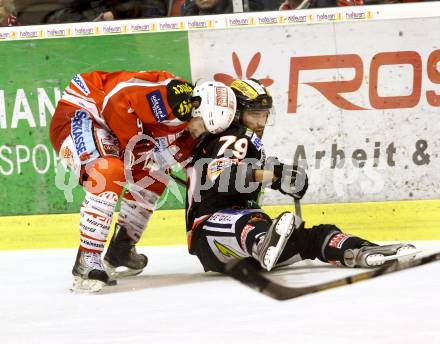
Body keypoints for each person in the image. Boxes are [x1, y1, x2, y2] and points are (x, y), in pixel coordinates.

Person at [184, 78, 418, 274]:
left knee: (312, 237)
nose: (259, 123)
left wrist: (287, 176)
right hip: (209, 230)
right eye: (254, 115)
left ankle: (358, 250)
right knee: (250, 222)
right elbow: (225, 176)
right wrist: (272, 176)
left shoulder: (242, 143)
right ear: (236, 114)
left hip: (242, 239)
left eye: (263, 116)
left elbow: (267, 173)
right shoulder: (233, 138)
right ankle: (261, 243)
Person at [50, 70, 207, 292]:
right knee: (109, 170)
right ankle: (87, 258)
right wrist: (139, 147)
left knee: (154, 175)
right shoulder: (174, 99)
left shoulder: (192, 128)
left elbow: (165, 156)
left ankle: (121, 249)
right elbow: (117, 100)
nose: (201, 133)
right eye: (203, 126)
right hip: (84, 109)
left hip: (114, 127)